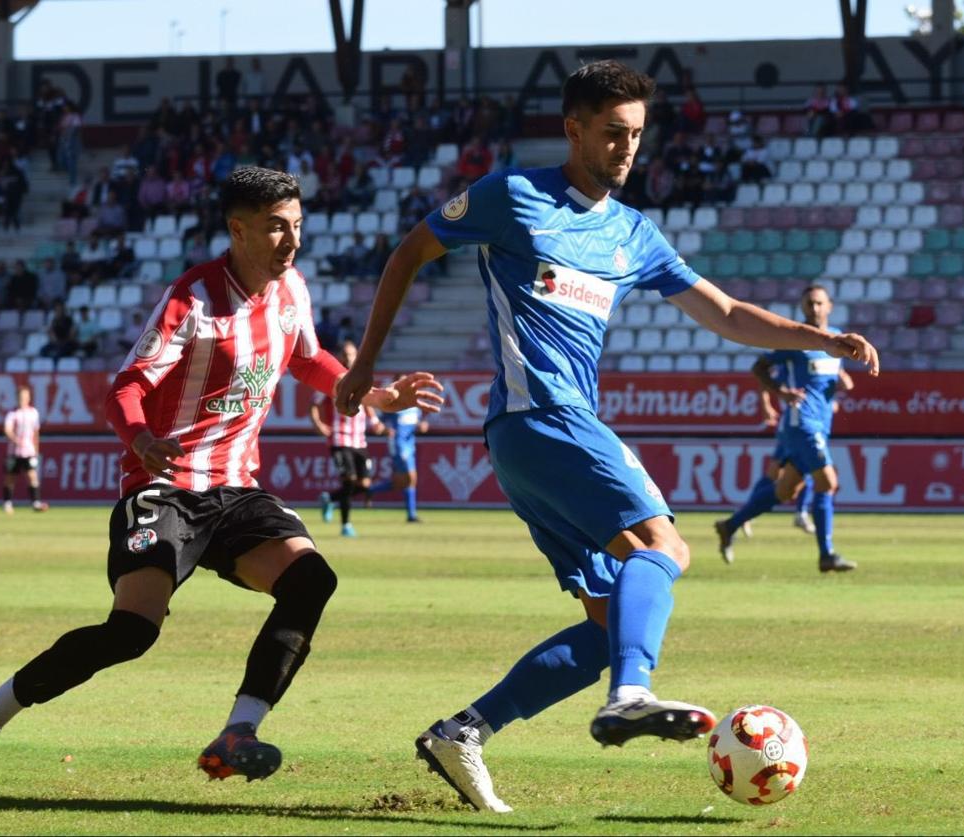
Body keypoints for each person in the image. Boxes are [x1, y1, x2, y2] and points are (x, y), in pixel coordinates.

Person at [334, 60, 880, 812]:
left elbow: (722, 311)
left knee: (606, 619)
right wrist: (365, 364)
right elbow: (408, 253)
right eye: (614, 133)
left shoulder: (632, 233)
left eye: (636, 136)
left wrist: (818, 337)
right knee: (665, 548)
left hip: (536, 436)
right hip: (542, 419)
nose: (627, 149)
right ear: (574, 129)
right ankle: (632, 693)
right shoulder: (512, 196)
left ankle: (463, 730)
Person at [0, 166, 444, 799]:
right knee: (132, 633)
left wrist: (375, 392)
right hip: (164, 486)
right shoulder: (192, 299)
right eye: (277, 228)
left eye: (298, 226)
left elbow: (306, 357)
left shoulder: (292, 290)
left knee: (312, 580)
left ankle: (238, 733)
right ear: (238, 229)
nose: (292, 241)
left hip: (235, 489)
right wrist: (143, 440)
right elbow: (126, 386)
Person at [714, 286, 857, 572]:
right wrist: (782, 392)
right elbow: (759, 368)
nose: (814, 309)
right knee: (827, 483)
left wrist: (839, 383)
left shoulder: (837, 341)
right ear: (803, 307)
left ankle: (730, 525)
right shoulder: (796, 340)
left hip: (821, 422)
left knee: (784, 490)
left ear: (829, 307)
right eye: (809, 304)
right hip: (801, 422)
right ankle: (826, 554)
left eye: (819, 304)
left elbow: (827, 376)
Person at [310, 340, 385, 538]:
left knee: (365, 485)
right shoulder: (331, 379)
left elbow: (368, 401)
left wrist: (375, 421)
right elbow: (314, 404)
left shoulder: (362, 378)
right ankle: (346, 525)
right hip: (339, 439)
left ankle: (330, 498)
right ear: (340, 356)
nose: (349, 358)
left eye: (352, 354)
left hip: (359, 440)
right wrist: (318, 424)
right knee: (349, 481)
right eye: (346, 354)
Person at [365, 403, 428, 522]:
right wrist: (384, 429)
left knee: (402, 482)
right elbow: (378, 418)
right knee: (410, 478)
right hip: (398, 445)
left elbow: (415, 423)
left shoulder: (415, 406)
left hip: (410, 444)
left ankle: (371, 490)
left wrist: (421, 426)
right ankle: (411, 515)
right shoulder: (395, 404)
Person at [0, 383, 49, 515]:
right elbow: (7, 430)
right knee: (10, 477)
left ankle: (36, 503)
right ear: (17, 398)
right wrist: (16, 440)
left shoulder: (33, 413)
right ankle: (7, 503)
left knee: (32, 476)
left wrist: (36, 449)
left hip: (29, 451)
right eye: (20, 397)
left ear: (28, 397)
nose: (22, 399)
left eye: (25, 396)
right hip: (14, 451)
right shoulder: (12, 414)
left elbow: (35, 432)